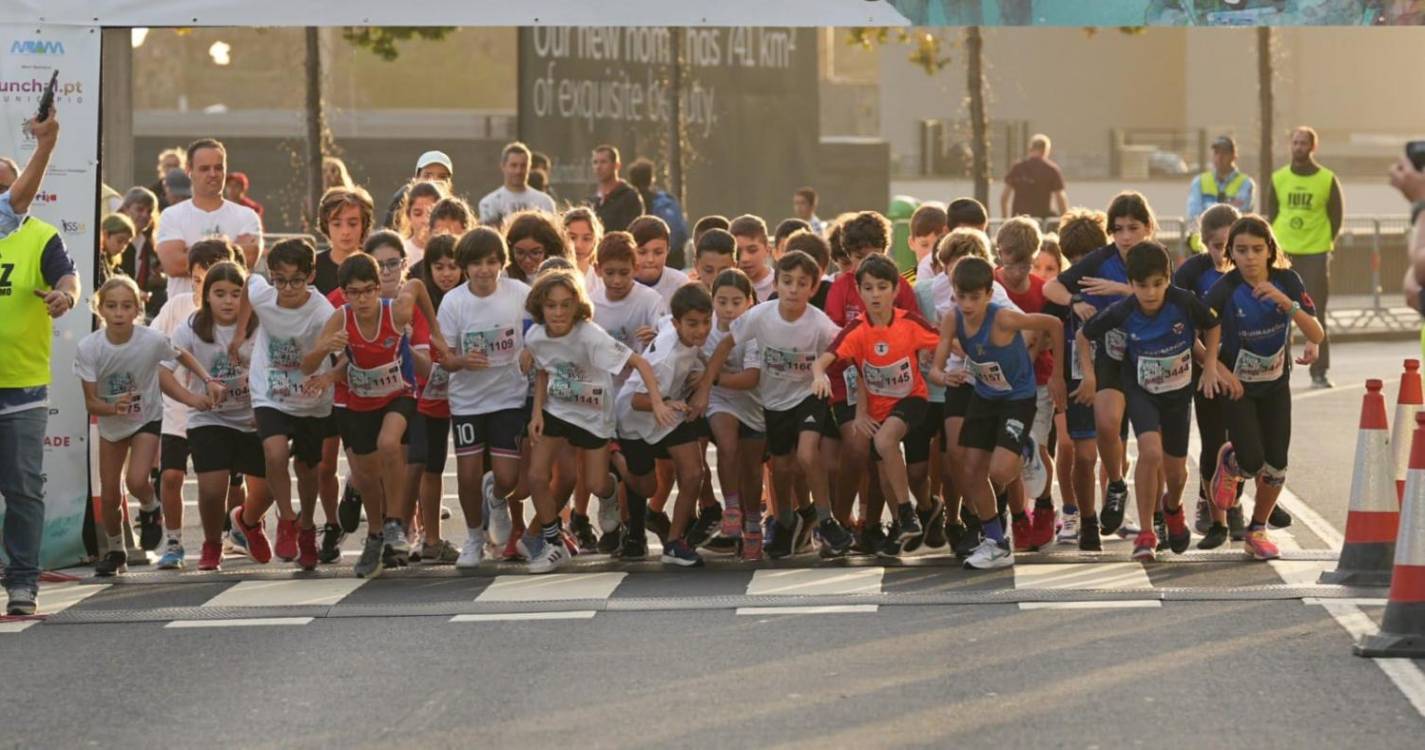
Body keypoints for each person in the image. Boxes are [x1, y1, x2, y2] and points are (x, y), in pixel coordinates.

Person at [700, 250, 857, 558]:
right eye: (787, 281)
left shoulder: (819, 323)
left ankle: (826, 521)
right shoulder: (761, 316)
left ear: (813, 288)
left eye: (802, 283)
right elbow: (725, 343)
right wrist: (706, 384)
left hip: (808, 397)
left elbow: (847, 348)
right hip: (773, 403)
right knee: (782, 467)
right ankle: (786, 520)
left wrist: (828, 376)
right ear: (777, 283)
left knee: (807, 454)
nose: (794, 289)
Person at [304, 253, 447, 578]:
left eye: (369, 290)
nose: (364, 298)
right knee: (367, 478)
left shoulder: (395, 310)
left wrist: (435, 330)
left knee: (389, 443)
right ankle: (376, 534)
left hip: (399, 394)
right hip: (360, 402)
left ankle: (396, 523)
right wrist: (324, 348)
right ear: (344, 293)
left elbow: (416, 285)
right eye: (355, 292)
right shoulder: (339, 319)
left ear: (378, 287)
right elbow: (307, 366)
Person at [1078, 241, 1222, 560]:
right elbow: (1084, 335)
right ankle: (1146, 532)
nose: (1151, 293)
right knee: (1150, 451)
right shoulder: (1124, 309)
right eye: (1142, 286)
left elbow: (1212, 325)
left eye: (1158, 284)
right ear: (1130, 285)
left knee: (1177, 473)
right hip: (1141, 389)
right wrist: (1089, 375)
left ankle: (1172, 508)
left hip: (1178, 393)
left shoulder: (1184, 302)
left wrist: (1210, 366)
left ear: (1168, 279)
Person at [523, 270, 674, 573]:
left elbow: (639, 361)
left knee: (594, 483)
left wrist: (657, 401)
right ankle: (553, 543)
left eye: (566, 305)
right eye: (551, 306)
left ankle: (609, 492)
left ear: (577, 306)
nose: (558, 312)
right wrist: (537, 412)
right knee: (537, 477)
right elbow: (543, 371)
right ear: (540, 307)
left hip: (594, 414)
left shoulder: (590, 335)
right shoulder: (535, 336)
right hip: (558, 409)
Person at [77, 276, 221, 577]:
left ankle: (150, 505)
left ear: (137, 309)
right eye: (112, 306)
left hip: (146, 417)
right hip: (111, 423)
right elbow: (91, 403)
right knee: (110, 496)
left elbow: (181, 355)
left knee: (136, 479)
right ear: (99, 309)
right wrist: (111, 407)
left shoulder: (150, 340)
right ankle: (116, 551)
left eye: (126, 306)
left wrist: (206, 380)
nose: (119, 313)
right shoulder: (90, 347)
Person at [928, 257, 1066, 570]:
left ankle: (1026, 450)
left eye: (974, 297)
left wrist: (1057, 374)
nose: (967, 304)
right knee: (970, 468)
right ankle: (996, 542)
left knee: (1000, 473)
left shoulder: (1003, 318)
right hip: (984, 396)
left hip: (1017, 397)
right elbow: (936, 367)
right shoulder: (952, 319)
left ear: (989, 294)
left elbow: (1054, 325)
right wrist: (943, 376)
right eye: (960, 296)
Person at [1205, 216, 1326, 560]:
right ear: (1231, 253)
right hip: (1238, 387)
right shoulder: (1226, 288)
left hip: (1275, 385)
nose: (1250, 257)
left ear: (1270, 250)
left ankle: (1256, 529)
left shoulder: (1287, 280)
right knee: (1252, 459)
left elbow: (1316, 334)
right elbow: (1207, 325)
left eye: (1257, 249)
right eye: (1241, 250)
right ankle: (1232, 463)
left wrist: (1286, 304)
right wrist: (1214, 367)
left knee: (1276, 464)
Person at [0, 107, 80, 615]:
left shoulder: (39, 234)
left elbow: (68, 279)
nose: (8, 196)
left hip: (22, 386)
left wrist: (66, 298)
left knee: (24, 490)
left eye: (8, 187)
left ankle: (23, 583)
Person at [812, 253, 942, 558]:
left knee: (885, 441)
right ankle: (903, 521)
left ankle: (907, 514)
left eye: (882, 287)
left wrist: (965, 355)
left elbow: (944, 339)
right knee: (884, 471)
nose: (875, 294)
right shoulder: (856, 330)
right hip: (876, 409)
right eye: (868, 288)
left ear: (896, 291)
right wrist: (819, 378)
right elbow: (823, 362)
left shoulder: (908, 323)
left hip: (912, 399)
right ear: (859, 292)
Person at [1044, 191, 1156, 541]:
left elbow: (1165, 299)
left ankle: (1134, 506)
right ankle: (1086, 518)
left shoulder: (1155, 259)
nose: (1125, 236)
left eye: (1133, 228)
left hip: (1133, 360)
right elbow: (1051, 287)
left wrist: (1122, 290)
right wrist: (1075, 299)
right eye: (1118, 229)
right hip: (1087, 360)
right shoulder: (1097, 260)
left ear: (1148, 228)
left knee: (1123, 445)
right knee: (1084, 451)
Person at [228, 238, 337, 571]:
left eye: (296, 280)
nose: (287, 289)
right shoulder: (264, 293)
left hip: (309, 396)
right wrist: (240, 331)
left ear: (311, 276)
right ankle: (287, 519)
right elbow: (249, 284)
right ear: (272, 276)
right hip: (269, 389)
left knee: (308, 469)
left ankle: (306, 528)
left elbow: (341, 357)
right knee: (274, 453)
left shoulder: (323, 312)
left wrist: (327, 375)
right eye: (280, 280)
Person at [438, 227, 532, 568]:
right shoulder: (454, 302)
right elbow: (445, 358)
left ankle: (495, 497)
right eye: (476, 263)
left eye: (491, 262)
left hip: (508, 396)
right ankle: (474, 538)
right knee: (466, 474)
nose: (484, 270)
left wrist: (530, 350)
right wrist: (462, 360)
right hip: (468, 401)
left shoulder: (519, 293)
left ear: (502, 264)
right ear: (464, 267)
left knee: (507, 477)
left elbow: (540, 327)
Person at [166, 260, 267, 571]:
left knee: (272, 487)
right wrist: (192, 398)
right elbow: (163, 371)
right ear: (206, 295)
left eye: (236, 294)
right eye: (219, 293)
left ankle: (247, 522)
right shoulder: (192, 327)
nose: (228, 301)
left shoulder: (260, 324)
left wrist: (267, 407)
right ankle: (212, 543)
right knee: (212, 490)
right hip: (210, 418)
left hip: (253, 417)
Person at [150, 239, 238, 569]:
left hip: (225, 412)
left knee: (224, 480)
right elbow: (156, 341)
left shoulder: (240, 311)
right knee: (171, 476)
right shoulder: (177, 307)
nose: (203, 287)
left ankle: (231, 532)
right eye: (197, 279)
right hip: (178, 410)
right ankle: (173, 541)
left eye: (211, 279)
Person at [615, 284, 713, 566]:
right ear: (677, 323)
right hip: (635, 420)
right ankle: (613, 455)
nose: (701, 330)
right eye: (692, 324)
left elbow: (660, 322)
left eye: (706, 322)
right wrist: (666, 402)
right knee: (647, 488)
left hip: (670, 412)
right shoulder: (664, 361)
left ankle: (673, 543)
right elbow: (635, 400)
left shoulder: (674, 329)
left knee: (694, 473)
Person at [1175, 203, 1249, 547]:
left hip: (1245, 367)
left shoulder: (1251, 269)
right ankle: (1214, 509)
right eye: (1217, 246)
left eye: (1230, 245)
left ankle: (1234, 502)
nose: (1225, 253)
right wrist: (1212, 366)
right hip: (1206, 366)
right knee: (1214, 440)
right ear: (1204, 244)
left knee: (1244, 441)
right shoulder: (1193, 273)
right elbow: (1185, 330)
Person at [1263, 126, 1343, 389]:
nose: (1298, 147)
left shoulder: (1327, 179)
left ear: (1312, 147)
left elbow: (1336, 216)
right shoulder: (1278, 178)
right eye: (1295, 142)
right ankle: (1277, 370)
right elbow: (1271, 214)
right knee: (1277, 311)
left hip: (1315, 253)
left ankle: (1319, 372)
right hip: (1284, 253)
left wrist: (1324, 243)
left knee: (1315, 311)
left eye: (1303, 143)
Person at [703, 268, 766, 560]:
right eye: (722, 301)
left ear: (750, 302)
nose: (728, 309)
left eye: (736, 302)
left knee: (753, 471)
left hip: (753, 403)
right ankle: (731, 509)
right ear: (712, 300)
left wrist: (713, 376)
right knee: (726, 444)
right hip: (720, 400)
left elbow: (750, 378)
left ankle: (753, 525)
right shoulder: (706, 329)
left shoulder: (753, 331)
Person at [155, 138, 263, 300]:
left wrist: (192, 252)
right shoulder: (171, 215)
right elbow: (173, 265)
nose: (213, 174)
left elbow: (249, 258)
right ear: (189, 171)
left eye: (218, 168)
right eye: (204, 169)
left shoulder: (247, 215)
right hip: (183, 315)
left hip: (233, 317)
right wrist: (232, 250)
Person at [1185, 136, 1254, 239]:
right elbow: (1194, 215)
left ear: (1234, 156)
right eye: (1216, 153)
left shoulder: (1246, 183)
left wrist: (1208, 209)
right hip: (1201, 245)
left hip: (1231, 245)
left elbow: (1240, 214)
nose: (1219, 157)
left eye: (1224, 153)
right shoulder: (1199, 182)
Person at [627, 157, 690, 267]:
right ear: (652, 178)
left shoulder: (628, 202)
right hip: (674, 261)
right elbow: (682, 232)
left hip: (642, 265)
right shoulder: (666, 200)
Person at [477, 142, 556, 228]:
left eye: (523, 166)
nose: (518, 171)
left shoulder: (545, 202)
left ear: (529, 167)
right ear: (503, 166)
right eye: (513, 165)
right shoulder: (489, 203)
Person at [312, 187, 375, 295]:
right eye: (337, 224)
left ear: (363, 225)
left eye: (352, 224)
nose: (345, 231)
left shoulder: (376, 265)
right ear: (326, 225)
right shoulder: (313, 268)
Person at [118, 186, 167, 317]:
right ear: (126, 209)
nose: (145, 215)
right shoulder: (115, 240)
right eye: (139, 209)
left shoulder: (148, 243)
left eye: (149, 211)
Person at [1001, 133, 1068, 219]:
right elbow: (1060, 199)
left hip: (1019, 220)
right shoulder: (1051, 169)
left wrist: (1005, 219)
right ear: (1046, 150)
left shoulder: (1017, 168)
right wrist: (1064, 221)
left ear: (1030, 148)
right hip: (1041, 222)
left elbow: (1004, 197)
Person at [382, 151, 455, 229]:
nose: (434, 181)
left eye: (442, 177)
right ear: (417, 178)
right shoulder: (400, 202)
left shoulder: (455, 210)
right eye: (427, 176)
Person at [628, 215, 689, 303]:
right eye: (642, 252)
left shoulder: (680, 284)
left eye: (658, 252)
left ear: (667, 251)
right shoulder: (619, 284)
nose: (650, 259)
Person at [504, 210, 570, 284]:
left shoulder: (563, 277)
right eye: (520, 253)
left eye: (535, 253)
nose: (527, 260)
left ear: (549, 250)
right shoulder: (502, 278)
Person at [588, 145, 644, 232]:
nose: (598, 167)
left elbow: (634, 231)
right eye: (595, 162)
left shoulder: (629, 196)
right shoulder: (591, 199)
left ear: (616, 165)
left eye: (603, 162)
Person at [396, 180, 447, 268]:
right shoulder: (401, 252)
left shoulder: (451, 249)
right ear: (409, 216)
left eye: (430, 213)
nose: (425, 220)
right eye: (418, 214)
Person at [730, 214, 777, 303]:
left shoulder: (781, 285)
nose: (745, 259)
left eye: (752, 250)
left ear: (768, 250)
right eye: (737, 252)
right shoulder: (725, 286)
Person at [563, 206, 604, 292]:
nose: (578, 245)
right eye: (572, 237)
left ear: (595, 240)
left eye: (586, 238)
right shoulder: (549, 273)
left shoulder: (602, 280)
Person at [98, 213, 136, 286]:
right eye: (120, 241)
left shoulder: (112, 261)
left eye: (126, 243)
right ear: (105, 234)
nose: (123, 247)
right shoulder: (98, 259)